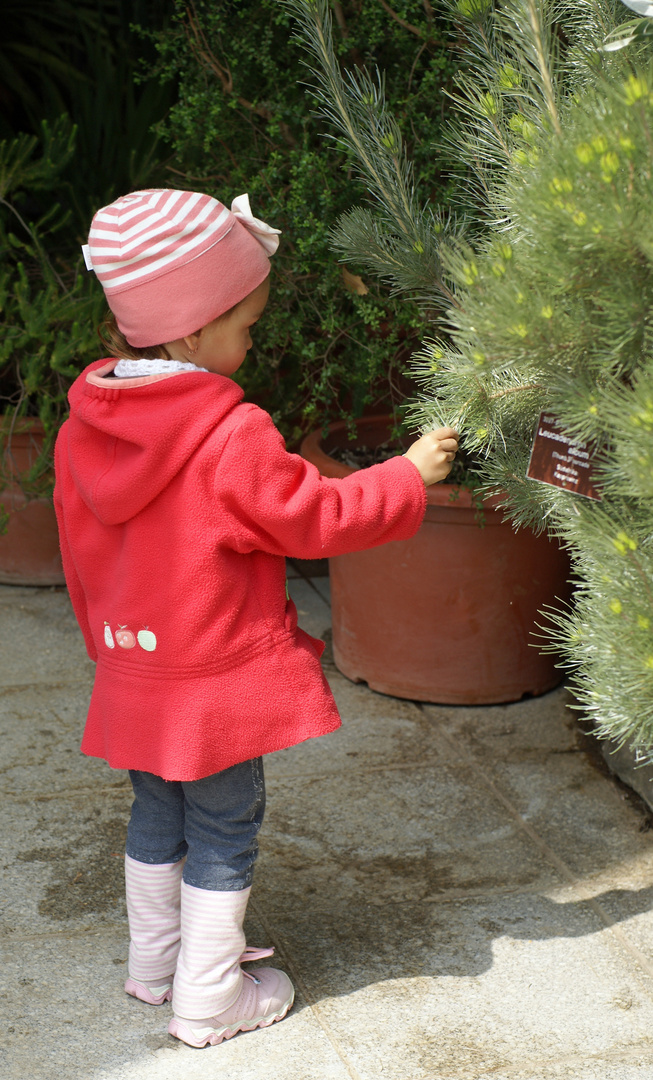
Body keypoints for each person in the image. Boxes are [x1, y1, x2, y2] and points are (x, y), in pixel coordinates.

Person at [54, 188, 458, 1048]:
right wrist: (406, 476)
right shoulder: (228, 433)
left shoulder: (84, 425)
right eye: (246, 323)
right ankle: (208, 997)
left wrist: (113, 656)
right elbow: (315, 518)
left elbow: (79, 555)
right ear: (192, 330)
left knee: (155, 815)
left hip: (137, 671)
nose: (254, 339)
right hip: (212, 687)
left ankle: (155, 965)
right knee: (226, 826)